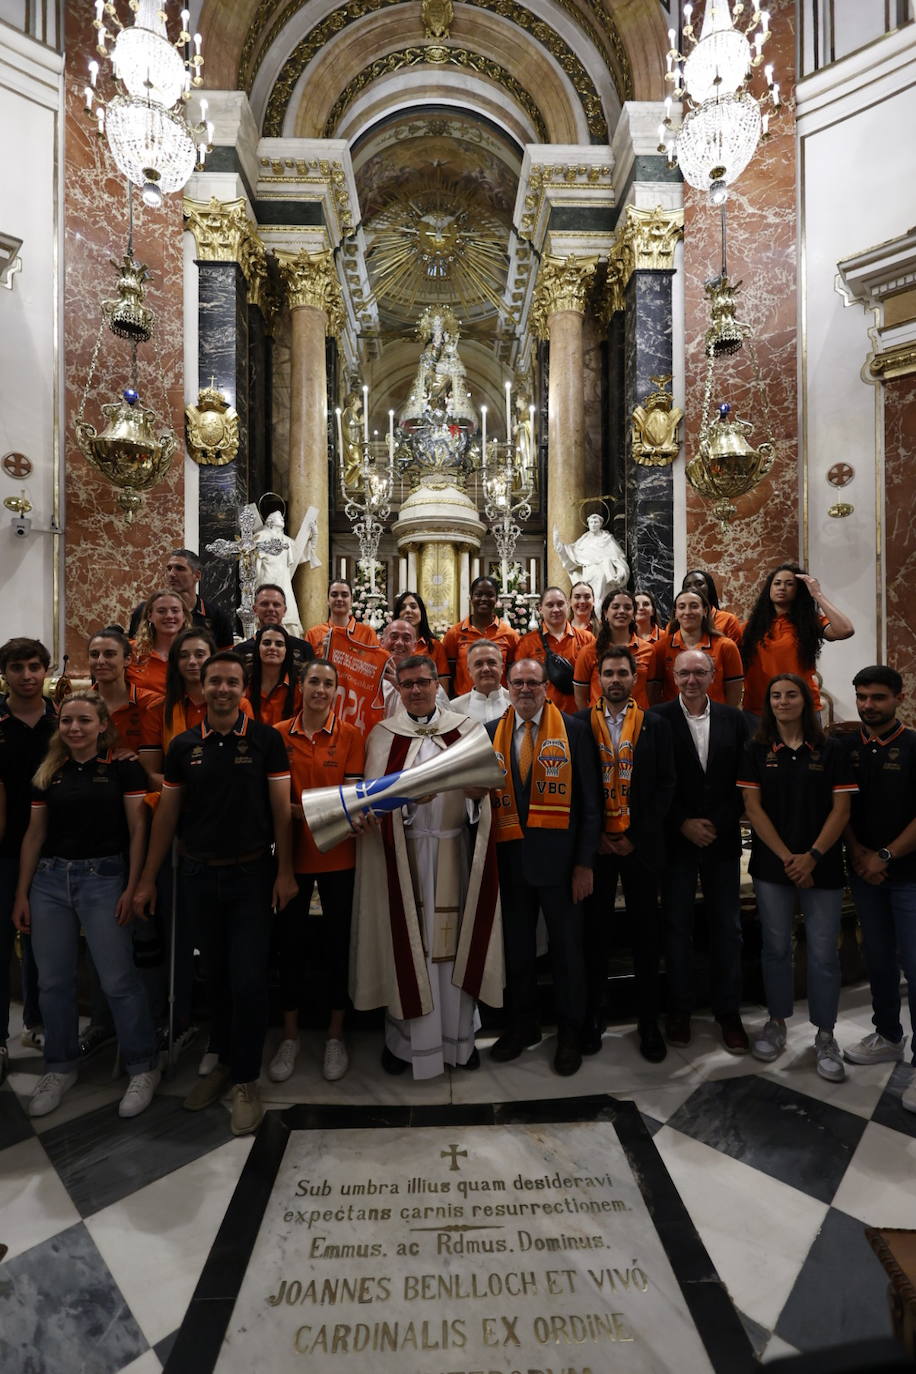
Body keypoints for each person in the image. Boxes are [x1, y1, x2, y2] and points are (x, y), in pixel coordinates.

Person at [132, 651, 297, 1136]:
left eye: (231, 682)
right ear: (201, 689)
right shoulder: (184, 746)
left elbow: (282, 811)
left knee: (247, 979)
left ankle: (246, 1080)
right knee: (218, 976)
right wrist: (147, 877)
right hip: (201, 877)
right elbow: (166, 815)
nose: (223, 690)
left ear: (243, 688)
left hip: (251, 876)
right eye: (214, 682)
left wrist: (285, 872)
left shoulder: (266, 741)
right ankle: (224, 1060)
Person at [350, 654, 503, 1079]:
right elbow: (371, 805)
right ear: (398, 689)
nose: (415, 690)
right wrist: (402, 808)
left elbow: (485, 795)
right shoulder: (383, 736)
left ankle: (459, 1040)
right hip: (404, 859)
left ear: (438, 683)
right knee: (408, 947)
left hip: (455, 854)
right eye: (407, 684)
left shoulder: (466, 730)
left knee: (453, 950)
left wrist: (474, 797)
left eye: (423, 681)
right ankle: (405, 1045)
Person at [12, 693, 160, 1119]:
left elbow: (137, 829)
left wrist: (132, 886)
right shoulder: (49, 770)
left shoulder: (122, 767)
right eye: (67, 721)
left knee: (118, 979)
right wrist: (23, 892)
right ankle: (60, 1065)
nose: (74, 728)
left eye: (84, 721)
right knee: (54, 983)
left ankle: (141, 1064)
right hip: (51, 883)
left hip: (104, 879)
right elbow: (35, 835)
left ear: (101, 725)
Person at [740, 673, 857, 1081]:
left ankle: (825, 1035)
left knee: (824, 954)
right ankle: (777, 1022)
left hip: (821, 865)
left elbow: (841, 810)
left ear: (806, 702)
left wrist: (811, 857)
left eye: (791, 694)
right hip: (774, 864)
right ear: (768, 703)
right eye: (776, 695)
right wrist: (789, 857)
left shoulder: (831, 749)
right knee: (775, 948)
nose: (783, 701)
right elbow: (753, 809)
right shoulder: (756, 748)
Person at [488, 658, 600, 1076]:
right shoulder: (490, 734)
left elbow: (591, 807)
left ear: (546, 688)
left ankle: (569, 1032)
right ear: (508, 686)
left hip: (561, 867)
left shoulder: (573, 730)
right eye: (517, 682)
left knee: (568, 953)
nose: (525, 689)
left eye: (533, 682)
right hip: (511, 864)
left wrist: (584, 864)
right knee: (517, 953)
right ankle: (523, 1027)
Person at [578, 645, 675, 1062]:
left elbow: (666, 785)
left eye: (623, 673)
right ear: (598, 677)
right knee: (595, 935)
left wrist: (636, 833)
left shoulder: (655, 724)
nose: (615, 679)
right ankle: (593, 1016)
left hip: (639, 845)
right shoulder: (580, 724)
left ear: (634, 678)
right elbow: (579, 785)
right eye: (609, 673)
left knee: (645, 934)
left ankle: (649, 1021)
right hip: (598, 845)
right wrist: (597, 833)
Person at [270, 659, 365, 1084]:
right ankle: (289, 1036)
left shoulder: (349, 736)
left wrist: (296, 809)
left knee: (336, 947)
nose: (321, 690)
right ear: (301, 687)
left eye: (329, 683)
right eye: (314, 681)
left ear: (336, 691)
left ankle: (334, 1035)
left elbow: (351, 804)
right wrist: (311, 809)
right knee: (288, 948)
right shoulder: (276, 735)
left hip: (339, 860)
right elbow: (268, 804)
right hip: (289, 861)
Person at [651, 648, 751, 1052]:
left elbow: (744, 780)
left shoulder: (735, 720)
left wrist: (719, 823)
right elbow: (654, 781)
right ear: (673, 677)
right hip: (676, 840)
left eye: (699, 672)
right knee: (676, 928)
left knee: (727, 928)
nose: (691, 680)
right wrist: (682, 822)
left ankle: (729, 1013)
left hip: (722, 839)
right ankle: (679, 1010)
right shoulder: (657, 719)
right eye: (684, 673)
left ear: (713, 676)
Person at [840, 665, 916, 1110]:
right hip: (865, 873)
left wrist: (883, 856)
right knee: (879, 959)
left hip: (907, 874)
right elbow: (842, 807)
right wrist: (859, 854)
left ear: (897, 698)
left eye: (877, 698)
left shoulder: (912, 745)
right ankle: (887, 1034)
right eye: (862, 697)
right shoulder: (848, 747)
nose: (868, 705)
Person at [0, 637, 56, 1079]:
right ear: (6, 674)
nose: (26, 676)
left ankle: (38, 1023)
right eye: (17, 668)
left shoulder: (62, 720)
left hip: (55, 847)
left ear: (46, 670)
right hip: (4, 846)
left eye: (34, 666)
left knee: (46, 946)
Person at [741, 563, 854, 719]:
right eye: (777, 583)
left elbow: (845, 630)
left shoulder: (809, 623)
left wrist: (817, 594)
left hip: (802, 709)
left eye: (789, 584)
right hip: (759, 710)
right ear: (769, 589)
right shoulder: (750, 628)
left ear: (798, 590)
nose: (782, 587)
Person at [648, 587, 744, 708]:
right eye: (682, 607)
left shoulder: (726, 646)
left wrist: (723, 718)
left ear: (705, 611)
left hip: (714, 719)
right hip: (673, 720)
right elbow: (653, 691)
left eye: (694, 606)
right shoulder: (660, 648)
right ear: (676, 613)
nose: (688, 612)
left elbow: (734, 691)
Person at [88, 628, 163, 782]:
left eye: (109, 654)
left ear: (128, 659)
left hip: (138, 786)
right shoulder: (79, 705)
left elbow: (152, 771)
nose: (100, 661)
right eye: (94, 655)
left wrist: (135, 762)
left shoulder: (151, 703)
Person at [128, 548, 235, 649]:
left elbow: (223, 659)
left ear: (197, 575)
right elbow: (133, 652)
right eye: (169, 569)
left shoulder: (216, 616)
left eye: (179, 568)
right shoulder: (145, 611)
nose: (172, 574)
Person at [515, 586, 593, 715]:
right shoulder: (527, 643)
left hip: (578, 716)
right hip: (542, 717)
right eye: (550, 605)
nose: (556, 609)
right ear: (540, 609)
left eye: (560, 604)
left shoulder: (586, 639)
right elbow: (520, 682)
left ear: (568, 605)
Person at [574, 589, 654, 711]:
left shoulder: (649, 650)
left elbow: (653, 693)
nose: (621, 611)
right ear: (606, 613)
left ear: (633, 614)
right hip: (599, 724)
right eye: (615, 607)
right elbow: (580, 696)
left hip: (639, 722)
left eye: (627, 607)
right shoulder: (588, 652)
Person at [443, 576, 519, 697]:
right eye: (478, 594)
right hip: (463, 704)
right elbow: (448, 674)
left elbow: (514, 675)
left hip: (501, 703)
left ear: (496, 598)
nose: (483, 599)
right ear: (471, 597)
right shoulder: (454, 634)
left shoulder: (510, 635)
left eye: (489, 595)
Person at [252, 508, 319, 638]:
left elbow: (301, 554)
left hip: (283, 582)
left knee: (288, 615)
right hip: (266, 580)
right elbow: (253, 561)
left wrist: (314, 535)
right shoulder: (261, 536)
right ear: (270, 522)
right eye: (278, 517)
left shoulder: (285, 540)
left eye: (282, 518)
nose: (282, 518)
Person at [553, 512, 629, 609]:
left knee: (599, 600)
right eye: (591, 522)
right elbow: (571, 554)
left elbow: (619, 557)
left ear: (601, 524)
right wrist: (559, 546)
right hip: (588, 572)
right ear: (588, 524)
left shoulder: (607, 539)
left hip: (602, 573)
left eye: (596, 522)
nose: (593, 524)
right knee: (589, 600)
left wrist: (619, 569)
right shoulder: (584, 540)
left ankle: (600, 620)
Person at [235, 584, 313, 673]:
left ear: (284, 610)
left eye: (276, 605)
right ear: (255, 609)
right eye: (265, 604)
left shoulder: (303, 648)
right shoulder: (241, 651)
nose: (271, 609)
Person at [128, 589, 192, 696]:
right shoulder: (131, 651)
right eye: (161, 611)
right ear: (150, 616)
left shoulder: (196, 654)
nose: (169, 616)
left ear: (184, 616)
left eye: (175, 610)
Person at [244, 623, 300, 726]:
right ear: (258, 648)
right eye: (267, 643)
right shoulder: (245, 683)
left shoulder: (298, 686)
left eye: (279, 644)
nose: (272, 648)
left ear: (286, 650)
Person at [306, 578, 380, 653]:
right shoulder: (313, 634)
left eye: (344, 595)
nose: (339, 599)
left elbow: (375, 662)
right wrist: (325, 654)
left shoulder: (367, 633)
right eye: (334, 595)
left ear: (351, 601)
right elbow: (307, 664)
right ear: (328, 600)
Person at [392, 590, 450, 685]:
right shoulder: (391, 646)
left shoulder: (435, 646)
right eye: (402, 607)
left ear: (422, 612)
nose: (408, 610)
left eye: (413, 606)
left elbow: (443, 685)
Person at [450, 640, 511, 722]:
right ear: (469, 671)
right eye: (478, 664)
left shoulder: (516, 703)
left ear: (502, 668)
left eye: (491, 662)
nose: (486, 669)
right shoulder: (454, 709)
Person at [681, 569, 743, 645]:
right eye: (688, 586)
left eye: (699, 584)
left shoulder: (728, 620)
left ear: (709, 588)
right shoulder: (676, 623)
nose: (693, 588)